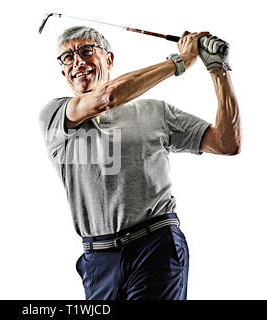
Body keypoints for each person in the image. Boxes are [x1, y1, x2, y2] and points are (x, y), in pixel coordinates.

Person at [38, 26, 241, 300]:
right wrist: (178, 62)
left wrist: (218, 70)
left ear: (109, 60)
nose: (78, 62)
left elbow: (226, 142)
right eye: (68, 57)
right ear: (63, 72)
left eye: (86, 51)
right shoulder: (55, 116)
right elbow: (106, 98)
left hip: (155, 245)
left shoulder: (154, 111)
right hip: (98, 260)